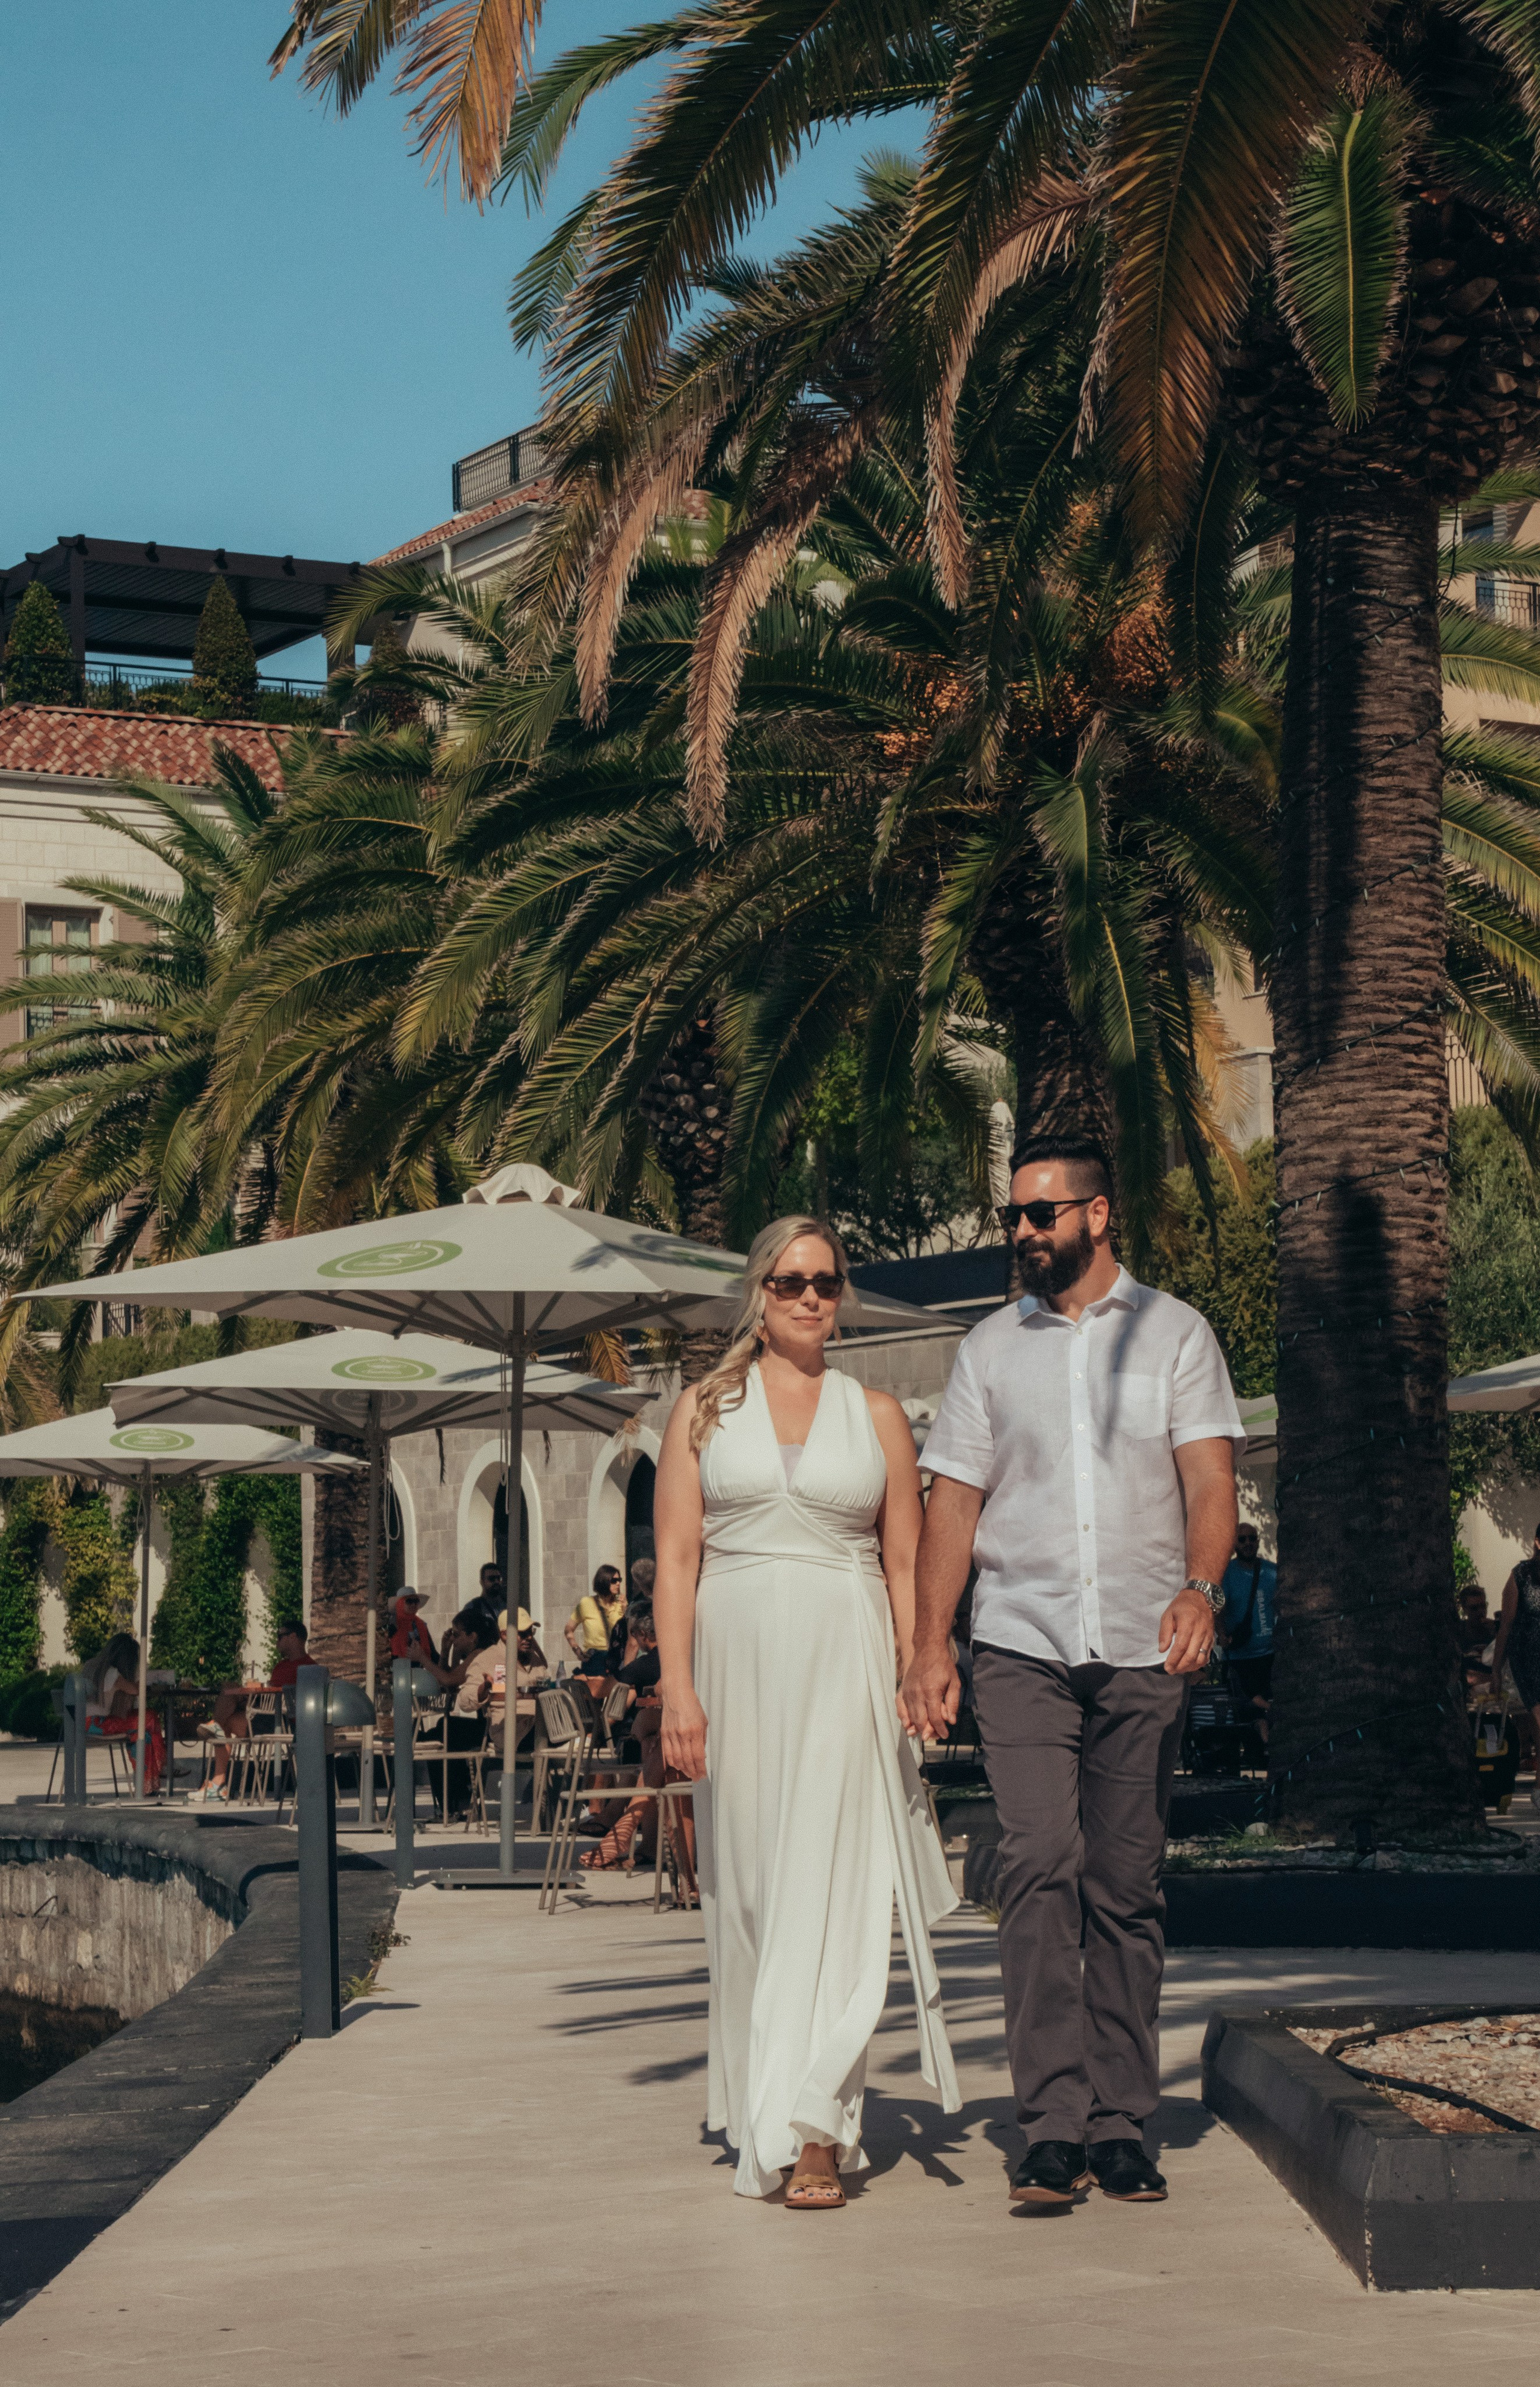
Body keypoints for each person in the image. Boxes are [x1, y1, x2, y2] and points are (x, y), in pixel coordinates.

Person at [902, 1137, 1242, 2212]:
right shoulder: (988, 1349)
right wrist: (930, 1642)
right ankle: (1051, 2124)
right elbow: (952, 1502)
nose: (1022, 1230)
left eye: (1041, 1212)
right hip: (1021, 1642)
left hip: (1145, 1643)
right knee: (1040, 1863)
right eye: (1014, 1213)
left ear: (1099, 1214)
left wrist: (1202, 1587)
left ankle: (1122, 2120)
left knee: (1126, 1884)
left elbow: (1210, 1478)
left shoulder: (1177, 1332)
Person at [655, 1213, 959, 2207]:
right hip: (734, 1666)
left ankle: (819, 2127)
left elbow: (905, 1559)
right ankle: (766, 2110)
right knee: (750, 1895)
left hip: (846, 1664)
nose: (811, 1297)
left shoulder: (877, 1414)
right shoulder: (701, 1410)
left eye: (826, 1281)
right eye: (791, 1281)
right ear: (760, 1291)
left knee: (837, 1890)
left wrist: (921, 1662)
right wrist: (677, 1688)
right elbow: (677, 1561)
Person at [189, 1621, 310, 1803]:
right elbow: (272, 1697)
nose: (276, 1642)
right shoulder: (280, 1667)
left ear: (293, 1637)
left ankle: (218, 1783)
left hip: (285, 1723)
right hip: (266, 1716)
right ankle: (218, 1782)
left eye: (280, 1637)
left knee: (223, 1724)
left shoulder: (309, 1668)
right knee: (228, 1691)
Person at [81, 1632, 170, 1793]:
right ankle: (161, 1766)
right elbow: (135, 1689)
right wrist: (142, 1674)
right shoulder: (112, 1674)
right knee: (149, 1717)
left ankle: (148, 1785)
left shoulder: (91, 1666)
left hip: (85, 1722)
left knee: (143, 1733)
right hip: (96, 1724)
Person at [1489, 1530, 1540, 1811]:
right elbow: (1506, 1625)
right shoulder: (1521, 1576)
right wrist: (1496, 1670)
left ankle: (1539, 1787)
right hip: (1528, 1657)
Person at [1220, 1524, 1277, 1741]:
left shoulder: (1272, 1571)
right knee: (1249, 1711)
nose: (1248, 1543)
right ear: (1234, 1544)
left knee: (1269, 1712)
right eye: (1242, 1539)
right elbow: (1217, 1609)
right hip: (1240, 1657)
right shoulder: (1226, 1574)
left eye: (1252, 1538)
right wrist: (1222, 1636)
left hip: (1270, 1654)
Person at [565, 1566, 624, 1666]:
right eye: (614, 1581)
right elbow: (569, 1629)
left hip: (616, 1658)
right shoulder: (587, 1603)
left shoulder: (621, 1604)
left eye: (619, 1580)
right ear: (604, 1581)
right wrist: (576, 1649)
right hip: (594, 1659)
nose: (618, 1583)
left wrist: (626, 1609)